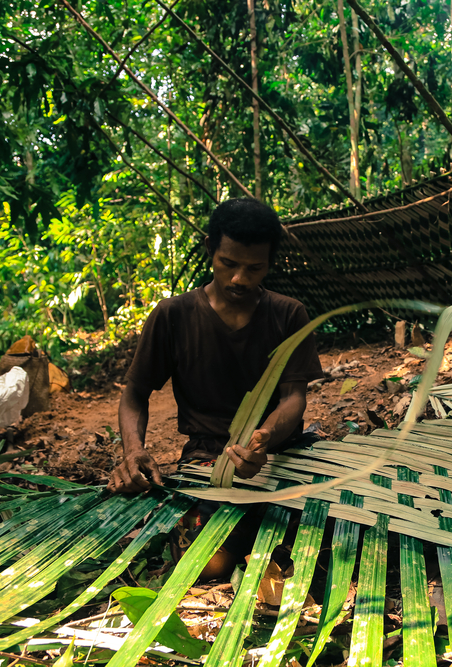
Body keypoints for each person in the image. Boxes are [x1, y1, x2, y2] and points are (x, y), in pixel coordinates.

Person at [107, 198, 323, 576]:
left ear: (271, 262)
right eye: (229, 263)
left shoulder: (288, 314)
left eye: (254, 268)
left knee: (332, 536)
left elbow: (293, 398)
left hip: (279, 453)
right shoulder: (173, 315)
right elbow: (135, 393)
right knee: (208, 564)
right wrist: (134, 451)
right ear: (210, 249)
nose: (240, 278)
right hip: (209, 459)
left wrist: (264, 438)